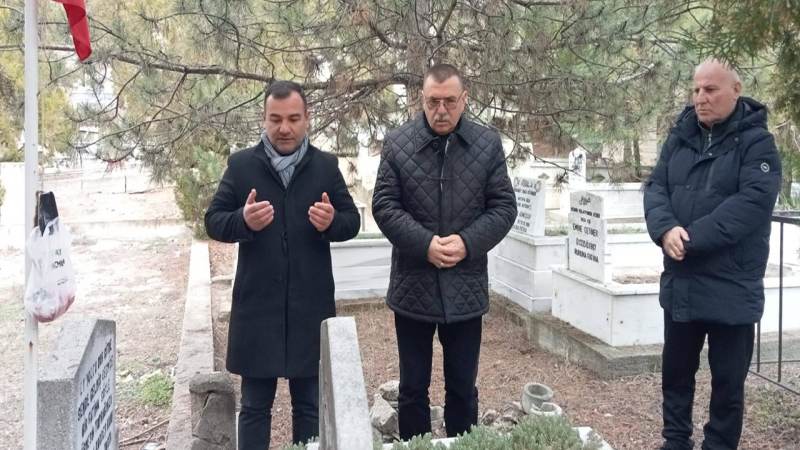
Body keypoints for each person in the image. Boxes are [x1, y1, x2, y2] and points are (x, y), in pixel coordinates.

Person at [205, 80, 360, 449]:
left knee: (309, 406)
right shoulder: (242, 166)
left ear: (307, 118)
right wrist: (242, 221)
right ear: (264, 119)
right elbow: (213, 221)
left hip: (309, 304)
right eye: (275, 119)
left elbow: (351, 222)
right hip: (258, 306)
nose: (284, 128)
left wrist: (331, 222)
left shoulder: (325, 166)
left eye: (293, 119)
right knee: (254, 407)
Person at [372, 63, 517, 440]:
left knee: (463, 390)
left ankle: (464, 445)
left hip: (465, 285)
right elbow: (384, 206)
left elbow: (503, 207)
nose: (441, 110)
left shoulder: (486, 144)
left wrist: (467, 242)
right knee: (412, 389)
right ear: (422, 99)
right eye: (433, 102)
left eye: (450, 102)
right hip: (413, 286)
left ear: (464, 99)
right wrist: (425, 244)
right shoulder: (398, 143)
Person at [644, 59, 781, 450]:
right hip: (683, 281)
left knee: (727, 384)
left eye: (710, 89)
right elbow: (656, 188)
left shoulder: (758, 144)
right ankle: (675, 442)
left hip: (731, 284)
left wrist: (688, 238)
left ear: (736, 90)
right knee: (676, 374)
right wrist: (665, 229)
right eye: (696, 90)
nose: (700, 98)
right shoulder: (681, 135)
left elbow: (751, 204)